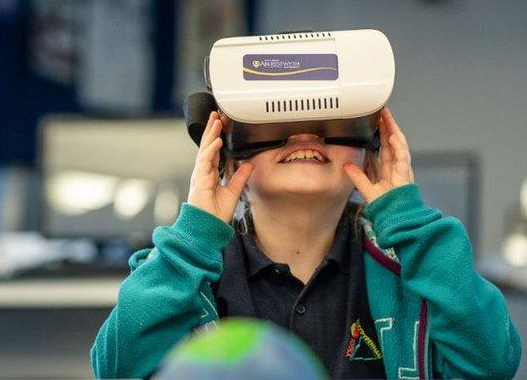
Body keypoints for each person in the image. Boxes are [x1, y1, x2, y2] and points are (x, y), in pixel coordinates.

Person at [92, 108, 521, 379]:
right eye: (273, 120)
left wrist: (408, 221)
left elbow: (491, 362)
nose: (303, 135)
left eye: (332, 121)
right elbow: (115, 368)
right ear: (229, 157)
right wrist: (193, 235)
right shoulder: (185, 271)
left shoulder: (413, 269)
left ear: (368, 155)